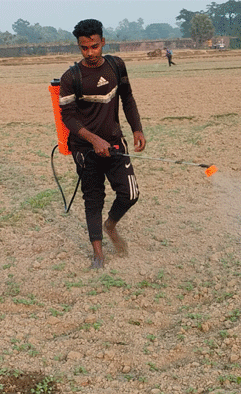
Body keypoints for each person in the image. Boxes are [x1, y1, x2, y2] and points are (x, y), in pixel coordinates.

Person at [59, 19, 146, 269]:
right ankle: (98, 253)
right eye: (84, 48)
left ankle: (111, 226)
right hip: (85, 149)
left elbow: (127, 98)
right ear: (79, 47)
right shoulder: (71, 77)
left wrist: (137, 128)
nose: (90, 53)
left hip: (115, 141)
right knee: (93, 199)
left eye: (94, 47)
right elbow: (69, 117)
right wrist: (93, 139)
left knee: (130, 194)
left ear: (103, 42)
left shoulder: (116, 65)